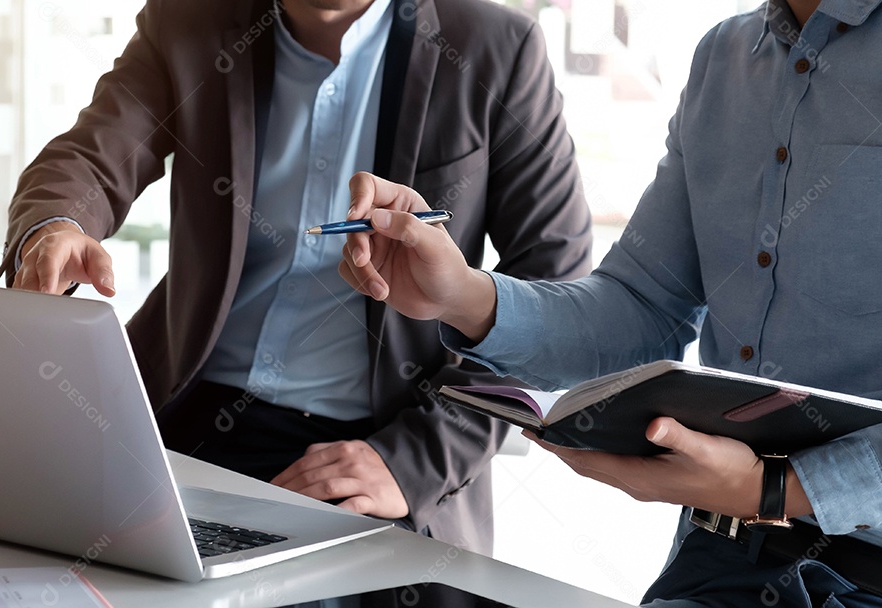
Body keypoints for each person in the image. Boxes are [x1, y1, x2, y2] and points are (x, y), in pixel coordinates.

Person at [0, 0, 592, 553]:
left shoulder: (496, 46)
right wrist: (56, 225)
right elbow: (91, 156)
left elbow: (555, 291)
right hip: (182, 420)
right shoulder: (188, 18)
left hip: (380, 444)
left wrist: (415, 460)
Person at [337, 0, 882, 603]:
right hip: (720, 557)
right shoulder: (725, 58)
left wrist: (774, 489)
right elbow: (642, 305)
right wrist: (466, 296)